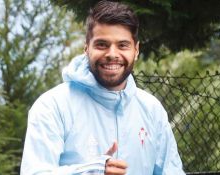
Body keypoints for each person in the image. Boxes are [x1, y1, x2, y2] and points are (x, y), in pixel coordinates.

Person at [21, 1, 185, 174]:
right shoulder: (52, 106)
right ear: (86, 49)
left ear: (136, 50)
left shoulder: (152, 110)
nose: (112, 54)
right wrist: (94, 171)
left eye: (122, 45)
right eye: (102, 45)